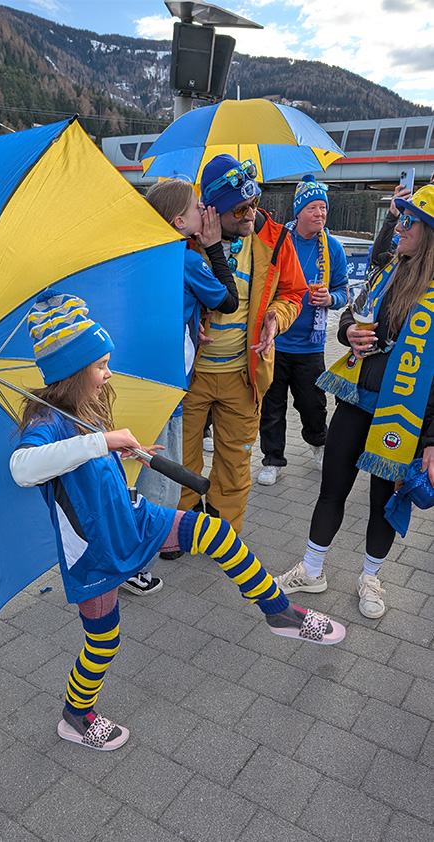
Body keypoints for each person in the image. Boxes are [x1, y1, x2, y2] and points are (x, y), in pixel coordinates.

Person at [10, 292, 345, 751]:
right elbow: (22, 469)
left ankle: (279, 613)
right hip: (96, 551)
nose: (108, 373)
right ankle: (75, 716)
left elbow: (92, 471)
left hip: (133, 519)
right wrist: (102, 442)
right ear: (72, 370)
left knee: (215, 531)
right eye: (100, 365)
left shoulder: (85, 407)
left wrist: (127, 452)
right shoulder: (47, 420)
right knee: (103, 643)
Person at [275, 185, 434, 619]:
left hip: (404, 415)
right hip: (358, 397)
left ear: (429, 232)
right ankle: (311, 570)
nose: (399, 226)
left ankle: (371, 578)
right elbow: (352, 315)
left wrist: (432, 441)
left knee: (383, 498)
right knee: (332, 488)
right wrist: (348, 332)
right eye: (399, 217)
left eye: (408, 220)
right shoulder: (386, 269)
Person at [178, 155, 307, 532]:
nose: (250, 213)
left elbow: (294, 294)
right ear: (213, 212)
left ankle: (222, 530)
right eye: (240, 209)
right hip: (190, 376)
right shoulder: (184, 240)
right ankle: (184, 526)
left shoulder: (276, 238)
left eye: (253, 203)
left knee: (234, 461)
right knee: (184, 459)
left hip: (245, 374)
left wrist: (276, 318)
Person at [123, 178, 239, 594]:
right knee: (162, 479)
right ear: (179, 222)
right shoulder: (187, 259)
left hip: (133, 376)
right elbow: (228, 300)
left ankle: (124, 547)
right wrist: (212, 246)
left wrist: (191, 324)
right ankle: (135, 563)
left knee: (133, 465)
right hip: (168, 386)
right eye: (195, 208)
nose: (203, 211)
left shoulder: (138, 254)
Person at [257, 175, 348, 485]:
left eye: (324, 207)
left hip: (311, 344)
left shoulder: (332, 248)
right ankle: (272, 459)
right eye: (313, 208)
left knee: (313, 403)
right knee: (272, 405)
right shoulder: (279, 239)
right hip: (276, 339)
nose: (320, 214)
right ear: (298, 211)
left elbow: (344, 292)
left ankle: (318, 444)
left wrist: (330, 298)